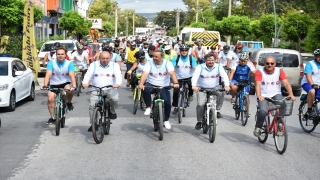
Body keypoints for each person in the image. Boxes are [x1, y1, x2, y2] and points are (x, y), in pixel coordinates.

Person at [254, 56, 296, 137]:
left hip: (275, 94)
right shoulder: (260, 72)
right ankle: (258, 127)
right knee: (263, 111)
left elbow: (286, 83)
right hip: (263, 95)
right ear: (264, 64)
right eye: (267, 63)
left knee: (283, 104)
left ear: (275, 64)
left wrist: (291, 94)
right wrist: (259, 95)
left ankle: (279, 122)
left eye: (272, 63)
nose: (270, 65)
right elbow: (257, 84)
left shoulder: (279, 71)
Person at [138, 50, 179, 129]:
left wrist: (176, 83)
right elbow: (145, 74)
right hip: (151, 84)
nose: (154, 58)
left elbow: (172, 73)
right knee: (145, 89)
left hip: (163, 86)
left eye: (156, 57)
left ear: (162, 57)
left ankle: (166, 120)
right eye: (153, 56)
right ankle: (148, 107)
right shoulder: (149, 63)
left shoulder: (167, 63)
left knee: (167, 103)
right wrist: (141, 84)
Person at [82, 51, 122, 132]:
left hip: (111, 89)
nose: (105, 60)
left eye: (107, 58)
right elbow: (88, 74)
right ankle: (94, 124)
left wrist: (117, 83)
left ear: (110, 58)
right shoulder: (94, 65)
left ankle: (112, 111)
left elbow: (118, 75)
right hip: (96, 89)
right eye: (103, 58)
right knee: (92, 106)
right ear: (99, 58)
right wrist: (85, 82)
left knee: (114, 99)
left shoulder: (114, 65)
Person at [191, 53, 230, 129]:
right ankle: (199, 121)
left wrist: (227, 85)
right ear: (205, 60)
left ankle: (217, 110)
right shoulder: (200, 67)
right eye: (209, 60)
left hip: (214, 87)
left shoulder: (218, 66)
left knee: (221, 93)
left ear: (215, 60)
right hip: (201, 88)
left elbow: (224, 76)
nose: (211, 62)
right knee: (200, 105)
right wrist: (194, 85)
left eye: (212, 60)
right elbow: (195, 76)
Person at [42, 46, 76, 125]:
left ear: (65, 55)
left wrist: (74, 86)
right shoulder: (51, 63)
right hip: (54, 84)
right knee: (50, 99)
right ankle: (53, 118)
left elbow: (72, 76)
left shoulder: (69, 64)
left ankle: (69, 102)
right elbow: (48, 75)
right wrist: (45, 85)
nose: (60, 55)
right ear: (56, 55)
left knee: (70, 90)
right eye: (58, 54)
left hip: (65, 83)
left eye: (62, 54)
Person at [171, 44, 197, 114]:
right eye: (182, 50)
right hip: (178, 78)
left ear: (188, 51)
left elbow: (195, 69)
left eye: (186, 50)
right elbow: (172, 69)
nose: (184, 51)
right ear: (180, 51)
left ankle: (190, 94)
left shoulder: (191, 58)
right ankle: (176, 106)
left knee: (191, 86)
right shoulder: (176, 58)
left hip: (189, 77)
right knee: (176, 91)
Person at [301, 49, 320, 117]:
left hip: (319, 85)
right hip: (307, 83)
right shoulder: (310, 64)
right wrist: (312, 84)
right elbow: (308, 76)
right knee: (312, 91)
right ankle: (309, 110)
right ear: (315, 56)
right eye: (318, 56)